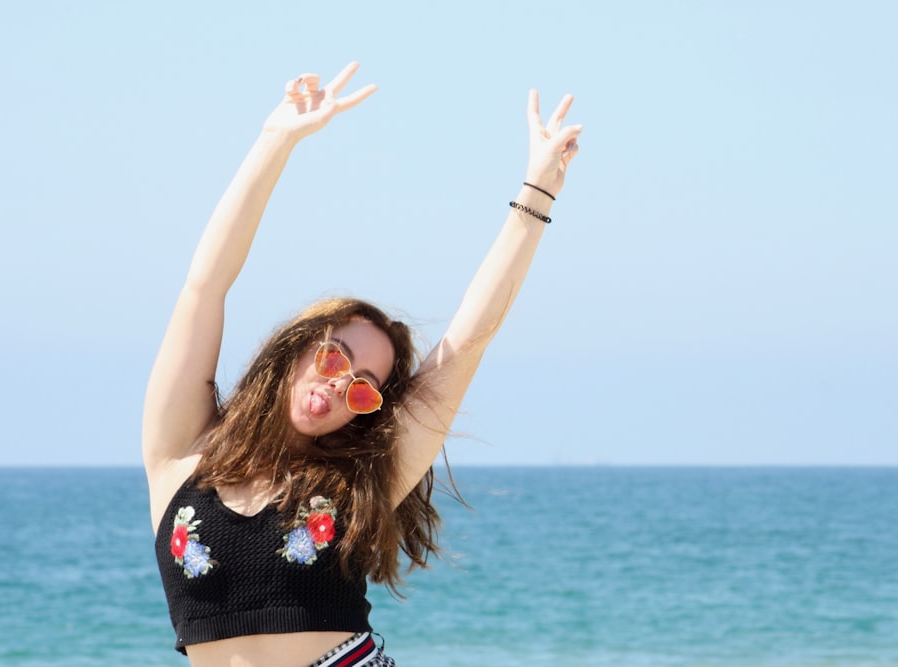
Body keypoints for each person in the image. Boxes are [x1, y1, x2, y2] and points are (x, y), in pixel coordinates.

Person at [142, 61, 582, 667]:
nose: (338, 384)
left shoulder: (359, 483)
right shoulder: (182, 450)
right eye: (332, 356)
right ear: (295, 347)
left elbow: (467, 342)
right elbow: (204, 286)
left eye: (363, 390)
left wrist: (537, 193)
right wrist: (277, 138)